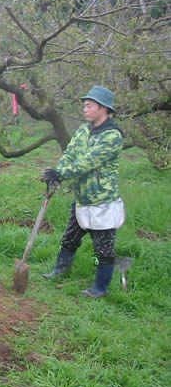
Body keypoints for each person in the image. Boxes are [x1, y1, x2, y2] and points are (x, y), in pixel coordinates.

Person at [42, 86, 125, 298]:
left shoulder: (112, 136)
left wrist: (62, 174)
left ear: (103, 108)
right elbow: (70, 155)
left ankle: (100, 287)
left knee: (103, 250)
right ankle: (60, 271)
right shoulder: (83, 131)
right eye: (84, 105)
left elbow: (88, 162)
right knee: (69, 238)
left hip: (103, 202)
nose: (85, 109)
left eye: (89, 105)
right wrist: (58, 171)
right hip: (82, 199)